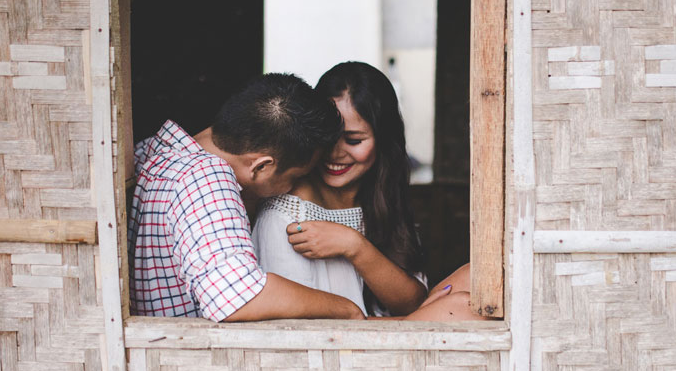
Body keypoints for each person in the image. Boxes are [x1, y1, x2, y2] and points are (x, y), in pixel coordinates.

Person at [128, 73, 366, 322]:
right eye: (296, 177)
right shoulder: (207, 177)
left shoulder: (156, 150)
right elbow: (236, 298)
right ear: (261, 167)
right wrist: (345, 309)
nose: (291, 188)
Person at [252, 62, 480, 320]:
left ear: (383, 141)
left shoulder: (381, 198)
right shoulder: (286, 216)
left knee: (476, 276)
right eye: (328, 137)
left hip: (392, 337)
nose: (336, 153)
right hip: (340, 350)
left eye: (353, 140)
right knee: (463, 309)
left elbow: (412, 303)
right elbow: (295, 328)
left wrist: (356, 247)